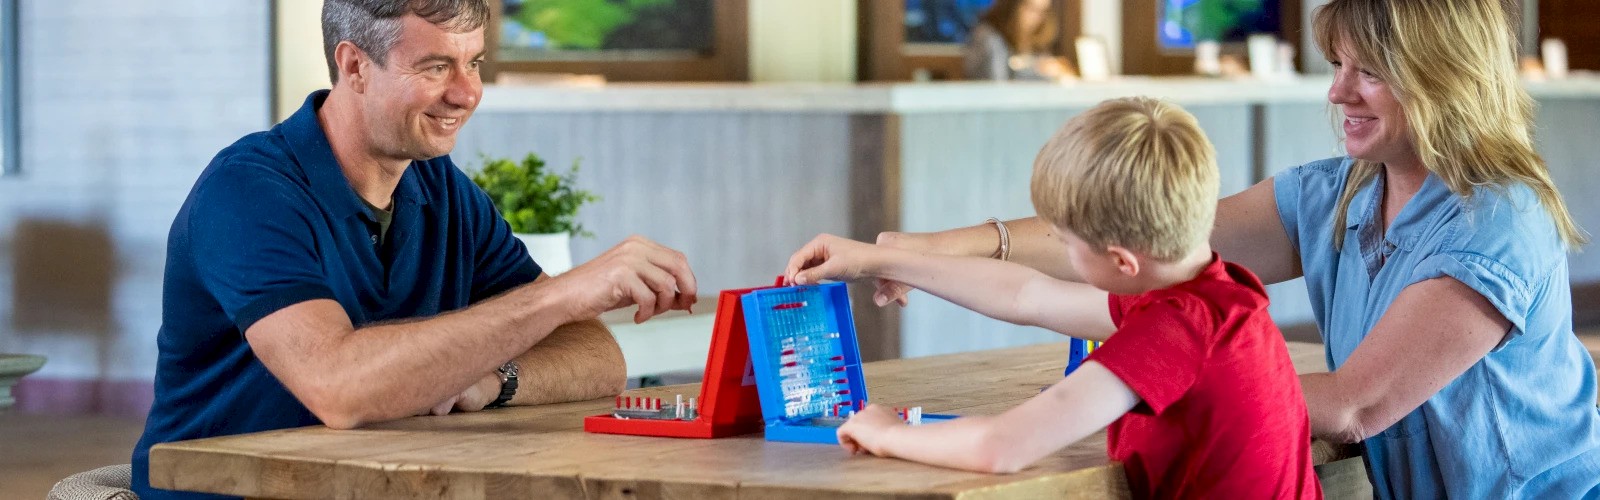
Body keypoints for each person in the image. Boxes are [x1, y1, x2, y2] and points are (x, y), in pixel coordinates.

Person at [874, 0, 1600, 497]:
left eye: (1369, 73)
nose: (1337, 92)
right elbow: (1129, 234)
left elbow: (1354, 408)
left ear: (1449, 80)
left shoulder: (1496, 222)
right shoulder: (1338, 193)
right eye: (1338, 65)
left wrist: (1123, 389)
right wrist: (916, 251)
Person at [130, 1, 699, 498]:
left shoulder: (444, 190)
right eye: (436, 67)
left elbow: (598, 358)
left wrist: (494, 378)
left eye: (473, 62)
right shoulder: (248, 192)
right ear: (354, 66)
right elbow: (338, 388)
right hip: (228, 494)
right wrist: (562, 295)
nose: (468, 91)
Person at [784, 97, 1321, 498]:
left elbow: (1002, 447)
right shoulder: (1212, 294)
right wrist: (881, 260)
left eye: (1066, 241)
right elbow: (1028, 295)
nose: (1059, 249)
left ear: (1122, 262)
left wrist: (888, 433)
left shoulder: (1175, 331)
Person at [962, 0, 1073, 81]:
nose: (1036, 18)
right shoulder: (989, 38)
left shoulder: (1032, 39)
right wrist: (1040, 73)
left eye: (1042, 12)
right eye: (1031, 9)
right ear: (1011, 5)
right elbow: (996, 88)